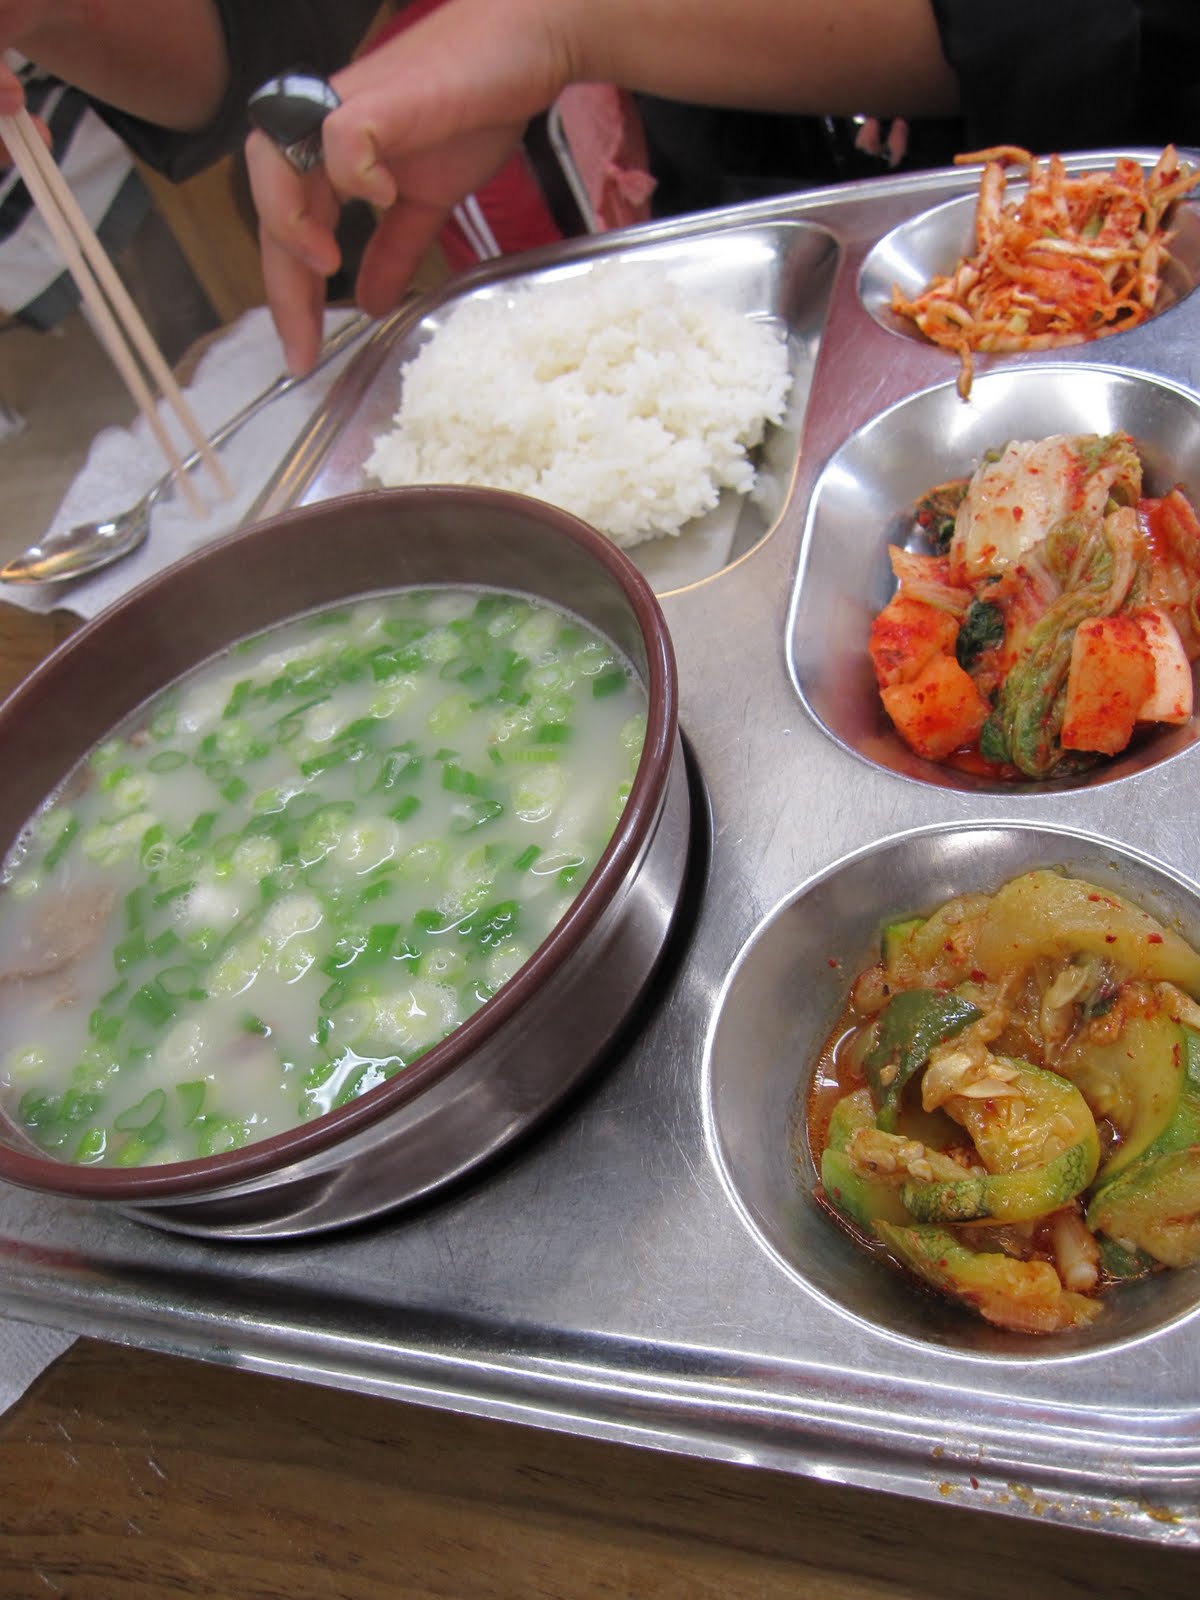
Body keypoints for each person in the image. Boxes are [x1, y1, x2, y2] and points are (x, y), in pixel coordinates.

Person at [3, 0, 1200, 374]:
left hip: (1110, 218)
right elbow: (224, 49)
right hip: (760, 210)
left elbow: (1092, 21)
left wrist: (572, 25)